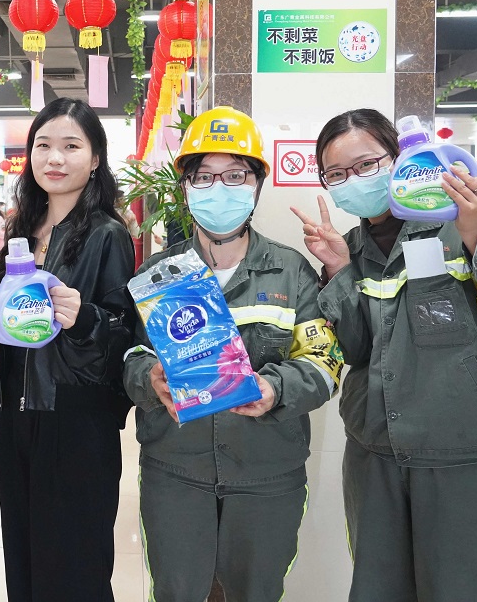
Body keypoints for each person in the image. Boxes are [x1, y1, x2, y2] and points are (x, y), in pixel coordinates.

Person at [291, 109, 477, 601]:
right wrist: (340, 271)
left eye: (367, 164)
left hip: (468, 459)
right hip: (376, 458)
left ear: (399, 157)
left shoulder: (462, 221)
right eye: (337, 174)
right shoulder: (352, 248)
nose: (354, 181)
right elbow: (359, 351)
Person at [122, 107, 343, 601]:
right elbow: (131, 354)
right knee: (176, 593)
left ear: (257, 184)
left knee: (257, 592)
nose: (218, 189)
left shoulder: (291, 271)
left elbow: (323, 360)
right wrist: (149, 377)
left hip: (267, 472)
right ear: (186, 187)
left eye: (235, 175)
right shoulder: (158, 274)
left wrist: (276, 388)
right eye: (203, 176)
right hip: (175, 470)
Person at [0, 98, 136, 602]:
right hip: (18, 420)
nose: (55, 158)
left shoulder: (109, 235)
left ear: (95, 158)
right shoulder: (20, 231)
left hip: (77, 423)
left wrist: (84, 318)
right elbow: (2, 334)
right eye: (43, 145)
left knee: (75, 568)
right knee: (24, 562)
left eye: (71, 146)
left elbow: (126, 335)